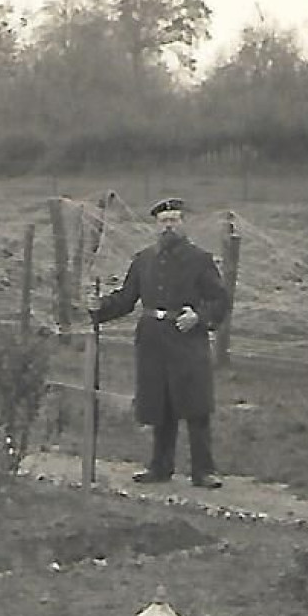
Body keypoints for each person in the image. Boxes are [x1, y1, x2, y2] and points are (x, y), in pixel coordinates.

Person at [89, 197, 230, 487]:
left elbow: (220, 300)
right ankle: (160, 467)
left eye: (174, 220)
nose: (169, 226)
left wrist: (199, 317)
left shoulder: (200, 260)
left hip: (187, 338)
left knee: (195, 404)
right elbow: (127, 298)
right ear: (156, 225)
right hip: (152, 339)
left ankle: (204, 471)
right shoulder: (144, 259)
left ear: (183, 224)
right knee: (160, 403)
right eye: (164, 221)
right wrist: (99, 308)